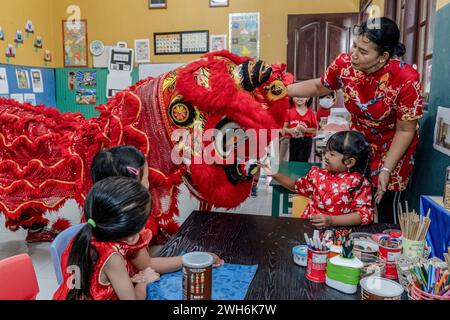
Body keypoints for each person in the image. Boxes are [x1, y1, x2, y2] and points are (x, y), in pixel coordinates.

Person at [287, 17, 423, 223]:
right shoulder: (345, 64)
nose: (354, 55)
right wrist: (281, 91)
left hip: (393, 148)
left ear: (383, 56)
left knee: (385, 209)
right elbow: (319, 86)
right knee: (350, 200)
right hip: (359, 146)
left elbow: (405, 130)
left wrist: (387, 168)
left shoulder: (406, 79)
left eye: (363, 51)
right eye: (354, 46)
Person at [90, 145, 224, 264]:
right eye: (146, 177)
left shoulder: (107, 211)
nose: (149, 183)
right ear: (130, 184)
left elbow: (144, 254)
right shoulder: (127, 219)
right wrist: (192, 258)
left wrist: (185, 250)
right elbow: (145, 264)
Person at [53, 177, 160, 300]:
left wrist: (127, 281)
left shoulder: (85, 233)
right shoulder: (112, 257)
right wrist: (144, 283)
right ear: (131, 237)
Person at [259, 131, 374, 228]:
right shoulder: (317, 175)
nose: (326, 156)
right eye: (327, 151)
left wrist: (331, 221)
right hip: (308, 229)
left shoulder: (358, 182)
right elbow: (296, 186)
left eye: (332, 154)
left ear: (349, 162)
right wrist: (275, 174)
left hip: (338, 236)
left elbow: (364, 215)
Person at [283, 97, 318, 162]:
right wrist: (290, 130)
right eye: (296, 95)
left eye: (302, 96)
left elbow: (315, 130)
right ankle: (292, 172)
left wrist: (305, 130)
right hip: (293, 140)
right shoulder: (289, 112)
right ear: (292, 98)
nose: (299, 98)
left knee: (303, 161)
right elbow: (284, 128)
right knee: (293, 161)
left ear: (308, 98)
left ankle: (302, 172)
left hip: (306, 141)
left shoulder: (311, 113)